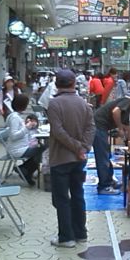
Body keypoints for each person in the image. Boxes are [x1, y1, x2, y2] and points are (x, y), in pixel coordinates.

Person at [47, 69, 95, 248]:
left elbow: (58, 132)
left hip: (60, 158)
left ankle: (66, 237)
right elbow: (91, 128)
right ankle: (81, 233)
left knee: (61, 198)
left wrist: (76, 147)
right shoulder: (84, 103)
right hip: (79, 158)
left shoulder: (54, 104)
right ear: (74, 83)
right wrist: (83, 148)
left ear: (57, 84)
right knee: (78, 194)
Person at [93, 93, 130, 195]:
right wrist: (120, 129)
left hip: (101, 128)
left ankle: (109, 181)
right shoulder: (127, 102)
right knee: (102, 157)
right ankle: (104, 186)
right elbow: (115, 111)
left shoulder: (127, 111)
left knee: (106, 155)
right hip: (98, 127)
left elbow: (128, 129)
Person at [5, 94, 46, 186]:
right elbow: (14, 135)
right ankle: (26, 170)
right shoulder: (14, 118)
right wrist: (27, 128)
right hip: (17, 149)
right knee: (44, 150)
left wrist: (31, 127)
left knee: (41, 149)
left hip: (21, 146)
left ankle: (25, 169)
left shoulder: (16, 116)